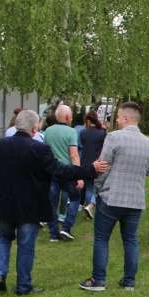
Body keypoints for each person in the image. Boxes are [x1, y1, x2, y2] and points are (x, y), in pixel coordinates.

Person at [0, 109, 103, 295]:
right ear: (35, 128)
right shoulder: (39, 149)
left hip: (5, 203)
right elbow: (61, 171)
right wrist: (89, 170)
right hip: (31, 206)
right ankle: (23, 285)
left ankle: (0, 274)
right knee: (26, 245)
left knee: (3, 238)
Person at [80, 101, 149, 292]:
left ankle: (98, 280)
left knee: (101, 238)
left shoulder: (114, 138)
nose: (118, 121)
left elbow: (102, 166)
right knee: (130, 240)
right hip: (135, 199)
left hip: (111, 197)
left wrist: (98, 189)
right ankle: (129, 281)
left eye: (119, 117)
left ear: (127, 118)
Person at [42, 103, 82, 241]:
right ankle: (66, 227)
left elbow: (45, 152)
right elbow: (74, 155)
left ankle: (53, 233)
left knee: (51, 202)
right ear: (66, 117)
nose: (72, 119)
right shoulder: (71, 132)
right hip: (68, 172)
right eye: (71, 116)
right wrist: (79, 176)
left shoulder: (48, 131)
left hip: (51, 171)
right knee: (75, 198)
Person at [78, 110, 107, 219]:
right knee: (98, 187)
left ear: (88, 121)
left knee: (89, 187)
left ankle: (88, 206)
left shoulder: (83, 132)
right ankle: (90, 206)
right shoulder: (103, 132)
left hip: (85, 163)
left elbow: (81, 145)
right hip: (98, 163)